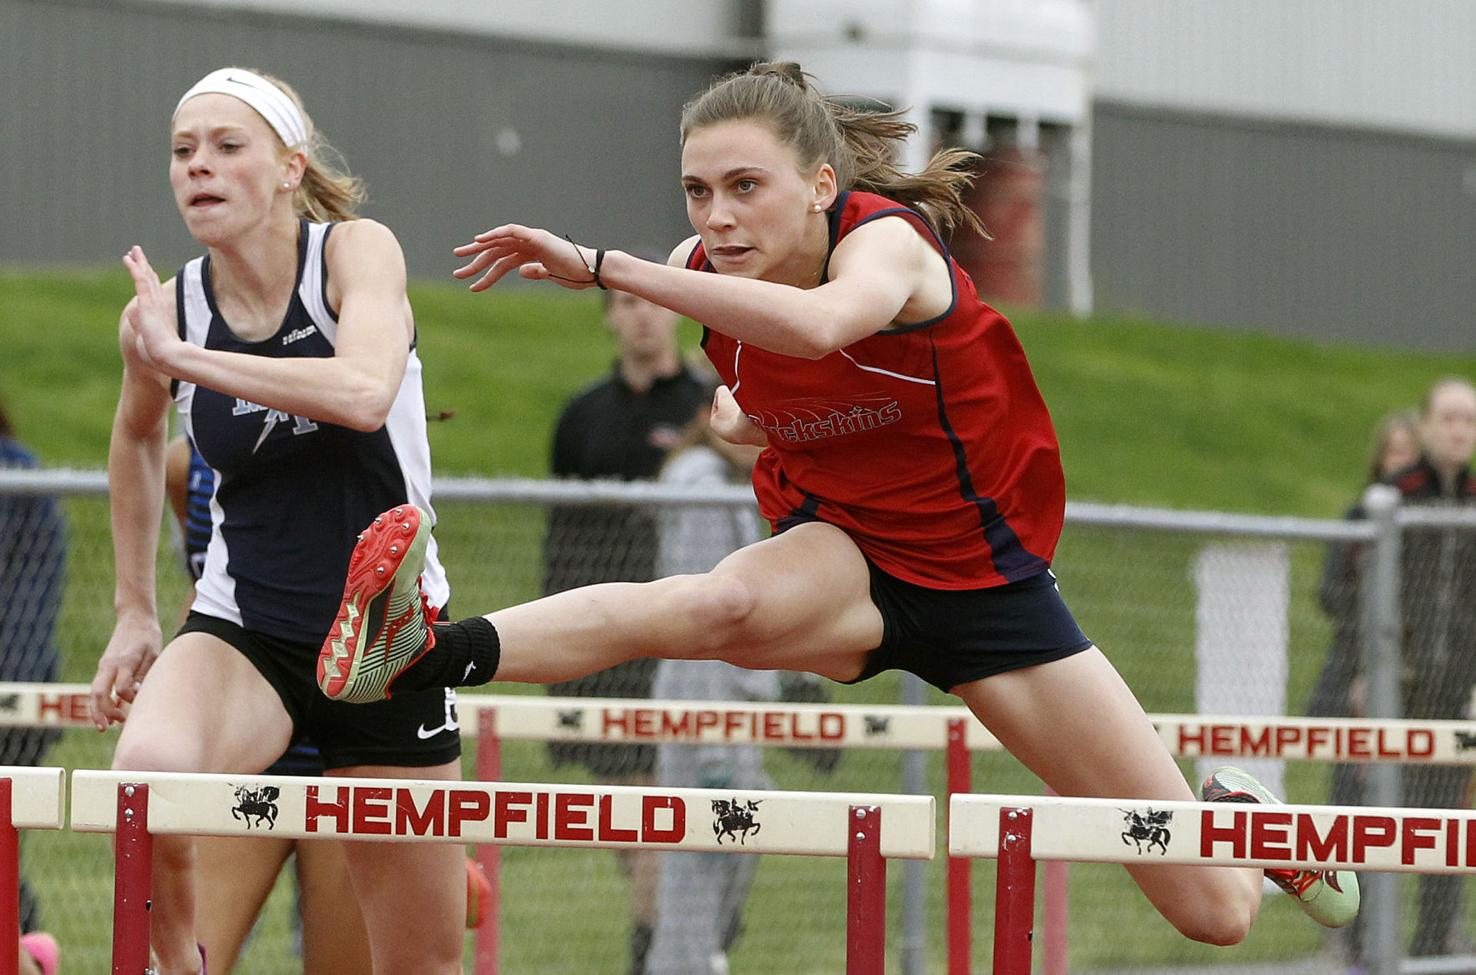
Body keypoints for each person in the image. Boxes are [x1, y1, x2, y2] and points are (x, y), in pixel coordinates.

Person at [318, 61, 1360, 944]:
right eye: (695, 191)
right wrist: (742, 420)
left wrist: (602, 267)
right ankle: (420, 651)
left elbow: (822, 332)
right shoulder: (708, 275)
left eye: (744, 187)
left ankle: (1240, 817)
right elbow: (775, 390)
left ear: (820, 184)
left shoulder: (889, 246)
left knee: (1214, 910)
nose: (717, 219)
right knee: (715, 606)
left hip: (984, 588)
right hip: (845, 555)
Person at [87, 67, 464, 975]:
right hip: (245, 629)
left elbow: (364, 393)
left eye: (226, 147)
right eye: (183, 152)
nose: (198, 168)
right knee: (145, 780)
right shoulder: (166, 311)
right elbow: (137, 437)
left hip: (384, 638)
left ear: (291, 166)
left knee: (418, 961)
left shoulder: (353, 253)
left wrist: (194, 362)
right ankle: (181, 968)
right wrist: (136, 609)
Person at [160, 434, 493, 972]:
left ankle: (434, 872)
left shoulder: (368, 439)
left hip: (354, 739)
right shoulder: (187, 460)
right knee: (187, 957)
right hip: (251, 737)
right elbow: (207, 588)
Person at [540, 286, 708, 973]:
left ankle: (666, 945)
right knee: (631, 820)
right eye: (627, 305)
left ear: (674, 311)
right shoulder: (584, 415)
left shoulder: (706, 405)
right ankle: (664, 938)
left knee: (665, 805)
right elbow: (560, 535)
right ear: (610, 317)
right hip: (602, 636)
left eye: (653, 303)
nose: (642, 315)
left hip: (682, 630)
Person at [645, 396, 773, 975]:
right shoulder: (704, 485)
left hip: (734, 704)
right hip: (708, 704)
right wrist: (712, 737)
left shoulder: (733, 482)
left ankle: (703, 958)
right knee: (696, 869)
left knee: (728, 859)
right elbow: (704, 622)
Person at [0, 397, 65, 973]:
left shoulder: (21, 482)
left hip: (12, 699)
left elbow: (28, 611)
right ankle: (29, 950)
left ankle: (25, 952)